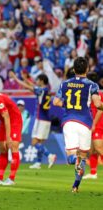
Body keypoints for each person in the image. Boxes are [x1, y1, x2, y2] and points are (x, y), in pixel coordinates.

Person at [53, 57, 103, 192]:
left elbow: (56, 102)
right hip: (85, 123)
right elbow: (98, 104)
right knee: (82, 157)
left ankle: (75, 184)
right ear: (87, 69)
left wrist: (69, 105)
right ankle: (75, 186)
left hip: (69, 122)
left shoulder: (64, 84)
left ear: (73, 70)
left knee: (71, 158)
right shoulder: (92, 85)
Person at [10, 72, 57, 168]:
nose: (36, 82)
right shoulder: (47, 90)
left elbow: (28, 87)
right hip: (47, 120)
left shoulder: (40, 90)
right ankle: (38, 163)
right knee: (40, 142)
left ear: (42, 81)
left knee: (34, 142)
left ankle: (50, 156)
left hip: (41, 119)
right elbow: (33, 86)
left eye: (38, 80)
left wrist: (16, 78)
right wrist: (26, 79)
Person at [83, 72, 103, 180]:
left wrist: (94, 124)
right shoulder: (93, 92)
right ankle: (93, 172)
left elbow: (100, 109)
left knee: (99, 148)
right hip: (93, 123)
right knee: (92, 150)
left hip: (98, 124)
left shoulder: (95, 93)